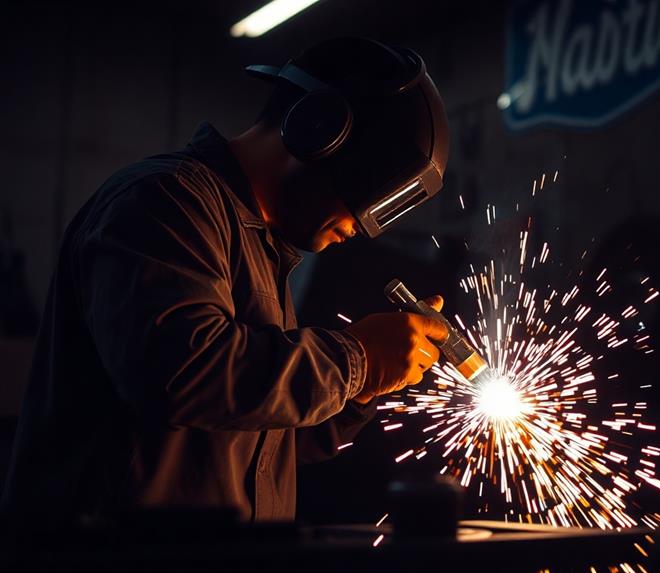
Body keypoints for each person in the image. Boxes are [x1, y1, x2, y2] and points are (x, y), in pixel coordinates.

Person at [1, 37, 450, 524]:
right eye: (361, 204)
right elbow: (182, 374)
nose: (362, 229)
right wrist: (354, 359)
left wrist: (361, 389)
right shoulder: (163, 204)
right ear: (318, 135)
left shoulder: (259, 248)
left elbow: (262, 434)